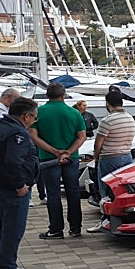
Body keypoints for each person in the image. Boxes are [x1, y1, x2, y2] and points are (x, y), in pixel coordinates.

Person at [0, 97, 40, 269]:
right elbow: (13, 162)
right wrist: (19, 185)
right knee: (13, 228)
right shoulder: (17, 133)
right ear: (26, 116)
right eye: (35, 117)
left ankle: (4, 262)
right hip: (13, 188)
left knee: (6, 226)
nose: (35, 121)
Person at [31, 82, 85, 239]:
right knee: (73, 192)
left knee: (53, 193)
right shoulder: (74, 113)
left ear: (47, 95)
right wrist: (68, 152)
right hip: (71, 158)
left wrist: (55, 152)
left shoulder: (38, 113)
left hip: (48, 157)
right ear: (64, 95)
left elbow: (33, 136)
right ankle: (75, 228)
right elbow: (82, 136)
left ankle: (56, 228)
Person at [86, 87, 135, 234]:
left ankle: (105, 221)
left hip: (109, 158)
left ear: (108, 103)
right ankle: (122, 220)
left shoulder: (107, 121)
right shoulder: (130, 118)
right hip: (127, 157)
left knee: (106, 192)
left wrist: (95, 157)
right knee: (121, 192)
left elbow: (98, 143)